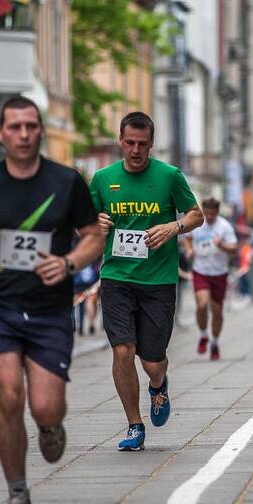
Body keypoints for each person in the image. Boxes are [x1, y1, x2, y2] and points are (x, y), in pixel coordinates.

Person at [0, 96, 104, 504]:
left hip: (49, 309)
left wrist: (70, 262)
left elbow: (93, 236)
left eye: (31, 126)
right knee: (8, 395)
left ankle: (51, 426)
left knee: (46, 406)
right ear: (0, 132)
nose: (22, 134)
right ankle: (17, 492)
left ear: (41, 131)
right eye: (14, 127)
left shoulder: (66, 181)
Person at [91, 111, 203, 452]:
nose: (135, 150)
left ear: (151, 144)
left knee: (152, 360)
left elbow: (195, 214)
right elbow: (84, 226)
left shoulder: (169, 176)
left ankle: (158, 384)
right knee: (123, 350)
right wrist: (94, 224)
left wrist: (174, 227)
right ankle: (134, 425)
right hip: (117, 277)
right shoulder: (102, 179)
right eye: (129, 143)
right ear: (120, 141)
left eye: (142, 144)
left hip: (158, 280)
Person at [183, 198, 237, 360]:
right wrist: (189, 250)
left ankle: (214, 342)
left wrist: (222, 246)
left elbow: (234, 248)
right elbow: (187, 237)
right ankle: (203, 335)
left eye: (212, 214)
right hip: (201, 271)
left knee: (217, 311)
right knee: (202, 304)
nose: (209, 217)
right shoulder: (198, 222)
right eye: (207, 213)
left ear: (217, 212)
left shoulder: (224, 226)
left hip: (220, 273)